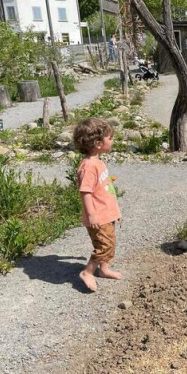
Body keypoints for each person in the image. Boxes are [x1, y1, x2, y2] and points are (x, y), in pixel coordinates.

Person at [72, 118, 124, 292]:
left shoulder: (98, 162)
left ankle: (104, 269)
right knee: (104, 245)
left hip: (107, 213)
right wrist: (92, 214)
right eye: (110, 138)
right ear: (98, 143)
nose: (112, 141)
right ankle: (88, 272)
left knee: (110, 242)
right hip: (98, 216)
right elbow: (85, 192)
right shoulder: (88, 166)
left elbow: (105, 190)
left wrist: (115, 211)